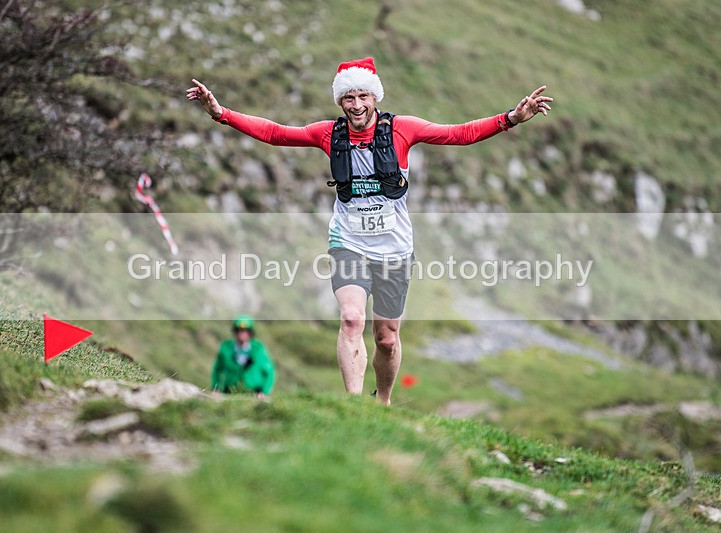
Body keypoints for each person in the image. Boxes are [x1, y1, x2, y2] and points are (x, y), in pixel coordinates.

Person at [188, 57, 552, 405]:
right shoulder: (329, 134)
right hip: (349, 242)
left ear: (374, 97)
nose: (356, 104)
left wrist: (511, 118)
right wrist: (222, 114)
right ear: (340, 101)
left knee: (387, 339)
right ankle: (353, 406)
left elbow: (460, 134)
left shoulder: (402, 130)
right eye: (349, 97)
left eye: (363, 96)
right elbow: (275, 133)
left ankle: (383, 401)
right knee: (351, 319)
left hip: (394, 249)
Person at [211, 315, 275, 397]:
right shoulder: (226, 348)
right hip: (229, 392)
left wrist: (264, 392)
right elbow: (217, 369)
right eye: (239, 330)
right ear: (235, 331)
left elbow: (270, 371)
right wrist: (216, 388)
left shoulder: (258, 349)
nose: (242, 333)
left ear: (250, 332)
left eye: (246, 330)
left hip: (254, 393)